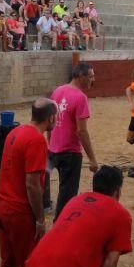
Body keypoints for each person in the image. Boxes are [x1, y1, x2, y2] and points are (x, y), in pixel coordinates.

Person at [0, 98, 58, 267]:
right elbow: (32, 184)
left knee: (7, 262)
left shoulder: (16, 132)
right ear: (50, 118)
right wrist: (40, 219)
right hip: (19, 212)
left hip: (2, 204)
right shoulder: (36, 141)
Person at [46, 62, 99, 218]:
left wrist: (50, 144)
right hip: (70, 153)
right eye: (90, 76)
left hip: (53, 150)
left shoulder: (57, 91)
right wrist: (92, 159)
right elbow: (81, 131)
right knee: (67, 191)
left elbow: (51, 121)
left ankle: (43, 208)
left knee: (43, 180)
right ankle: (60, 223)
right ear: (80, 76)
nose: (92, 80)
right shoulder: (80, 97)